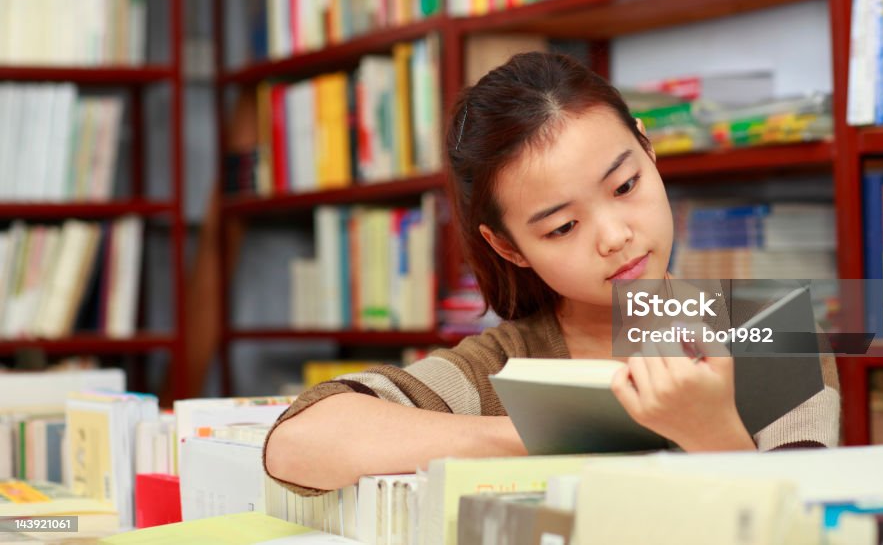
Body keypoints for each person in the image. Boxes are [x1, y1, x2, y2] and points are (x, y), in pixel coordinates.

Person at [263, 52, 840, 495]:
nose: (615, 236)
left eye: (625, 186)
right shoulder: (500, 368)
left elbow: (798, 524)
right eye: (563, 227)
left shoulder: (775, 333)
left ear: (648, 147)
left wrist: (711, 434)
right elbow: (298, 442)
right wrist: (569, 437)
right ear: (508, 247)